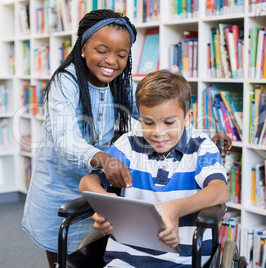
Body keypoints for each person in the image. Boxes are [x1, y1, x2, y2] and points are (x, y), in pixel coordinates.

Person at [22, 9, 232, 268]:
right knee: (62, 257)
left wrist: (200, 137)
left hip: (108, 187)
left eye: (121, 55)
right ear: (84, 47)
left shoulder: (121, 83)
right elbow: (66, 140)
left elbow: (158, 110)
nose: (112, 60)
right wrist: (105, 162)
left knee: (100, 242)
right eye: (102, 50)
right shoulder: (65, 83)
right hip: (63, 184)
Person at [79, 69, 230, 267]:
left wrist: (175, 208)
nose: (158, 133)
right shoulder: (129, 144)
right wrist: (106, 204)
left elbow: (220, 190)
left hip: (183, 260)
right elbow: (87, 181)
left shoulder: (201, 147)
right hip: (125, 259)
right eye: (148, 122)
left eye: (169, 122)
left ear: (187, 117)